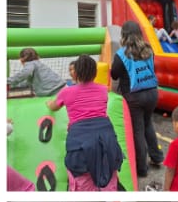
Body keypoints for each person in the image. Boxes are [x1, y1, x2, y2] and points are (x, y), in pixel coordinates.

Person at [46, 54, 123, 191]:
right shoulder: (103, 90)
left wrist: (48, 103)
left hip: (80, 139)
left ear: (75, 73)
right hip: (105, 136)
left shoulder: (66, 92)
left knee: (82, 177)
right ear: (95, 73)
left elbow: (53, 106)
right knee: (108, 168)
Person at [111, 20, 164, 180]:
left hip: (134, 96)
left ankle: (142, 167)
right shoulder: (148, 49)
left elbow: (115, 74)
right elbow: (152, 68)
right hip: (152, 92)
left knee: (138, 130)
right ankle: (157, 157)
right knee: (148, 124)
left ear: (123, 35)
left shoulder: (122, 54)